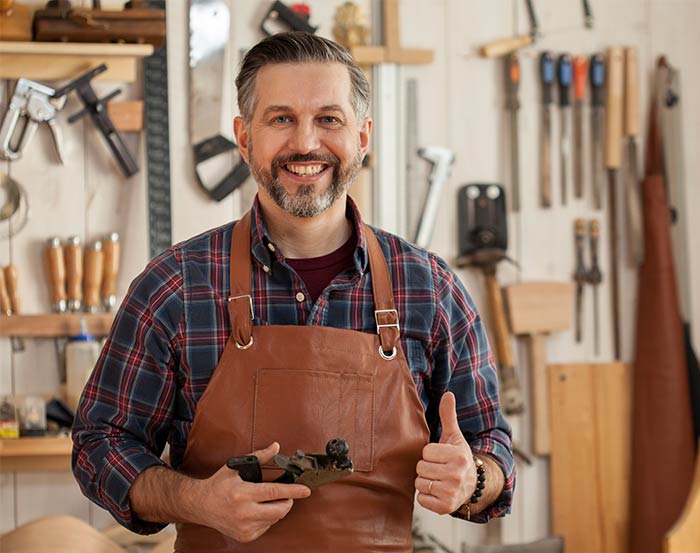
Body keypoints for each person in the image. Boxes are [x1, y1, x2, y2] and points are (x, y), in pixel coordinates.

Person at [72, 32, 515, 552]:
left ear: (363, 137)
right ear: (243, 138)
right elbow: (98, 445)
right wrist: (196, 501)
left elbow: (492, 445)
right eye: (281, 118)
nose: (306, 143)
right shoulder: (175, 285)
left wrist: (474, 480)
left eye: (329, 119)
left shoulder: (430, 289)